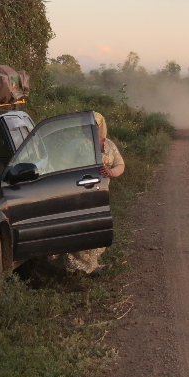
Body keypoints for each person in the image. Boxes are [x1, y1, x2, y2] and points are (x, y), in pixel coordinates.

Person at [60, 111, 124, 276]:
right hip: (80, 192)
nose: (87, 128)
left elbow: (120, 165)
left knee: (96, 228)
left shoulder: (109, 145)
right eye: (84, 125)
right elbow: (63, 167)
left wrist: (111, 172)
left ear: (100, 126)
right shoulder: (76, 144)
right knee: (80, 228)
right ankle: (76, 269)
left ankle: (91, 266)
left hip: (100, 193)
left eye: (92, 125)